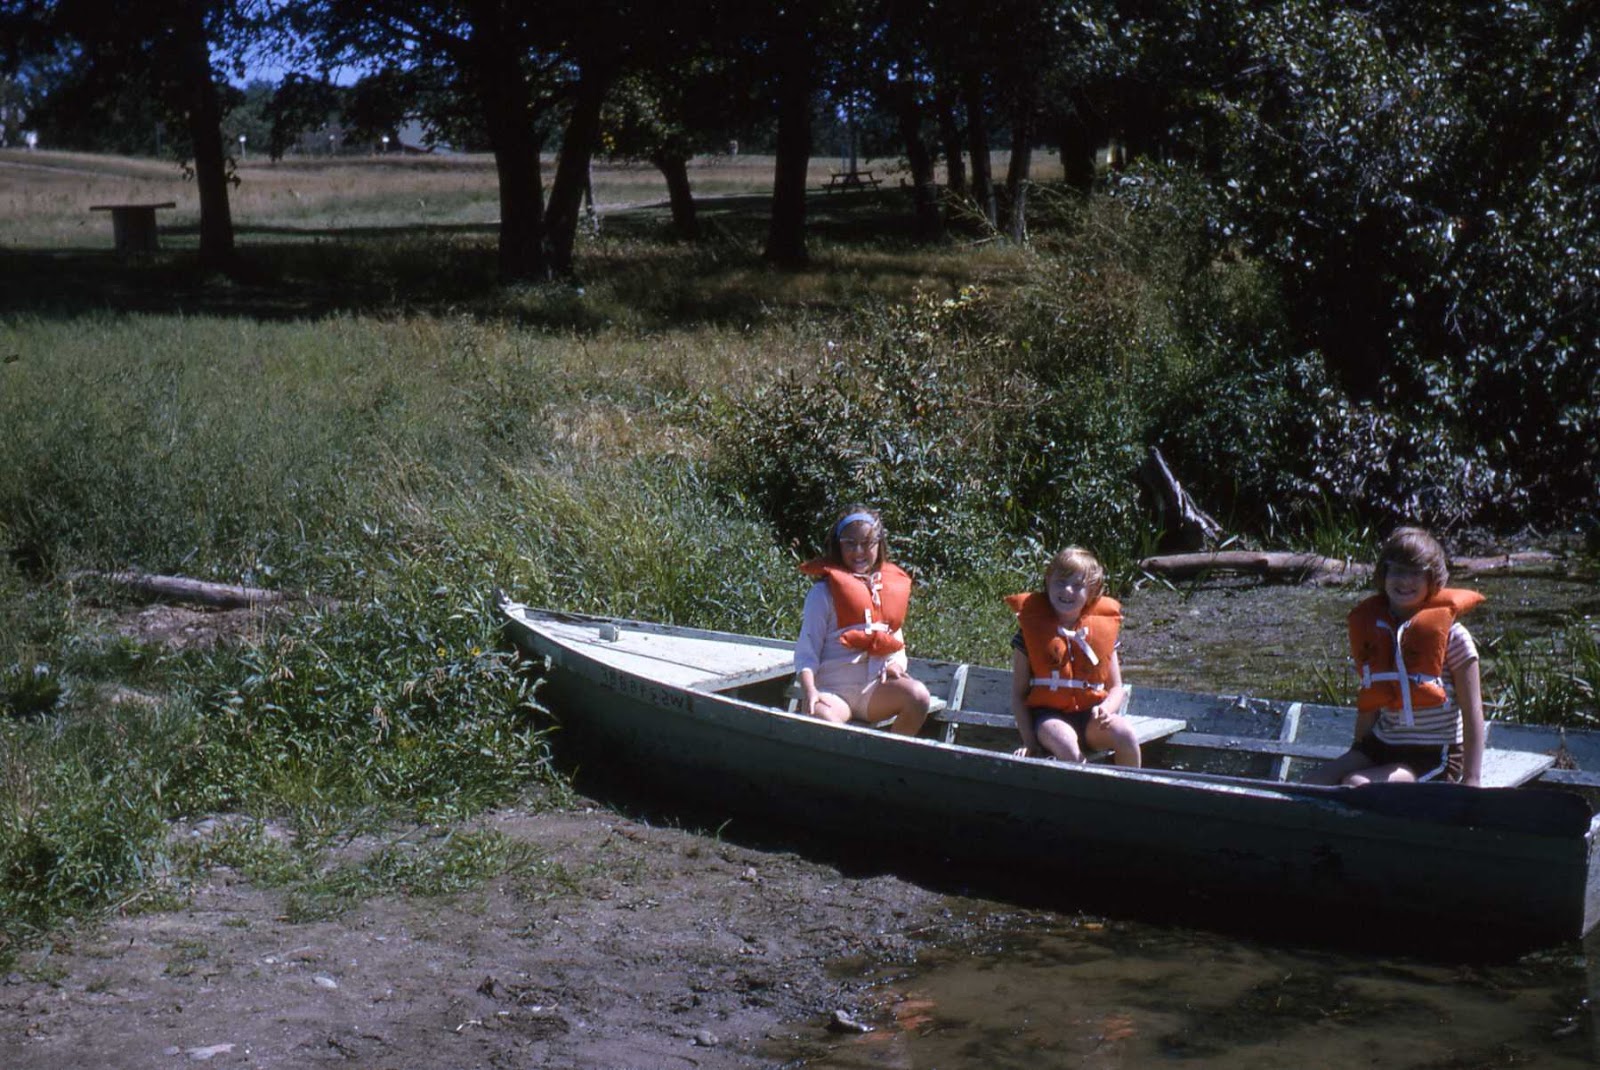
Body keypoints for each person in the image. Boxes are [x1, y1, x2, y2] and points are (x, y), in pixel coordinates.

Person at [1308, 526, 1485, 787]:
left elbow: (1473, 712)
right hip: (1383, 743)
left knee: (1355, 784)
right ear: (1384, 574)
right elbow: (1371, 699)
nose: (1405, 581)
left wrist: (1472, 780)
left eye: (1416, 573)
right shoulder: (1376, 630)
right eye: (1398, 571)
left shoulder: (1455, 637)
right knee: (1313, 780)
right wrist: (1356, 751)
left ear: (1432, 580)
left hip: (1433, 754)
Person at [794, 506, 932, 735]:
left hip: (873, 690)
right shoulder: (822, 593)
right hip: (833, 691)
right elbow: (806, 652)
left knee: (918, 696)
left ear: (879, 544)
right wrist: (809, 691)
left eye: (867, 543)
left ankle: (887, 761)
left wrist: (896, 665)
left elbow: (896, 642)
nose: (858, 551)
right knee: (822, 718)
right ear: (838, 546)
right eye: (850, 543)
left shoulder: (885, 588)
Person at [1005, 547, 1141, 766]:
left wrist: (1106, 710)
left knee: (1125, 734)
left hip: (1092, 718)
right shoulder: (1029, 633)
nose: (1067, 590)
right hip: (1048, 719)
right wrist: (1029, 743)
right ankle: (1085, 791)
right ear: (1048, 582)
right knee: (1065, 741)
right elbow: (1018, 695)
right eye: (1060, 582)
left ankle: (1131, 794)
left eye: (1078, 585)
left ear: (1092, 590)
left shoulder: (1102, 631)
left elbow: (1116, 687)